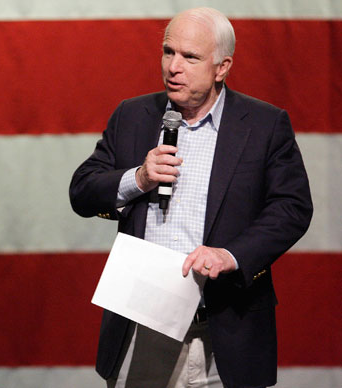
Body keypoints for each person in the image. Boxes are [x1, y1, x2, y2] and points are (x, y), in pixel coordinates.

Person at [69, 7, 312, 388]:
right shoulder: (133, 116)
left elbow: (292, 208)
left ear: (222, 67)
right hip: (143, 326)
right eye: (168, 52)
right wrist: (139, 177)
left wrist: (230, 255)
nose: (173, 67)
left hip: (227, 330)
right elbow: (83, 191)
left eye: (190, 57)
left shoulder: (265, 125)